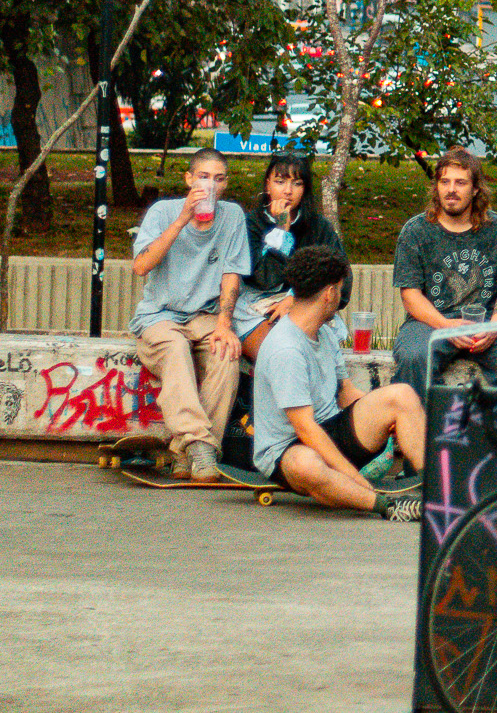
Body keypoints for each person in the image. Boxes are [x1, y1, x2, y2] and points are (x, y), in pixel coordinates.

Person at [253, 245, 426, 520]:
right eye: (340, 290)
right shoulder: (286, 349)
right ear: (330, 293)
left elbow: (345, 391)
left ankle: (440, 492)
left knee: (401, 395)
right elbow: (306, 429)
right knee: (305, 466)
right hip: (290, 448)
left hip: (330, 430)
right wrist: (354, 477)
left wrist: (386, 418)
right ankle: (386, 506)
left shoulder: (324, 330)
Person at [129, 147, 251, 481]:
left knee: (226, 353)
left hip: (205, 315)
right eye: (203, 177)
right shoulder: (163, 211)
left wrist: (225, 325)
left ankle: (184, 452)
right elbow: (141, 266)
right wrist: (183, 218)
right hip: (160, 315)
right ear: (188, 179)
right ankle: (201, 448)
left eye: (219, 178)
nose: (211, 185)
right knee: (175, 349)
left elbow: (231, 275)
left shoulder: (233, 217)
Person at [391, 147, 497, 393]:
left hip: (488, 324)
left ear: (475, 188)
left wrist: (494, 327)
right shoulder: (415, 231)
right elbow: (410, 295)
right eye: (445, 182)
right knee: (414, 356)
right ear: (436, 186)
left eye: (460, 183)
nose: (451, 189)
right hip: (431, 323)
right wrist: (446, 326)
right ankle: (422, 428)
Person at [237, 152, 346, 362]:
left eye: (296, 183)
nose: (287, 191)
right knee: (279, 357)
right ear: (268, 184)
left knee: (314, 355)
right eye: (279, 182)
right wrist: (281, 230)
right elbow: (263, 279)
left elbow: (342, 279)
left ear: (304, 189)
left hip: (307, 303)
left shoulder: (319, 227)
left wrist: (295, 298)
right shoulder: (250, 224)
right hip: (256, 307)